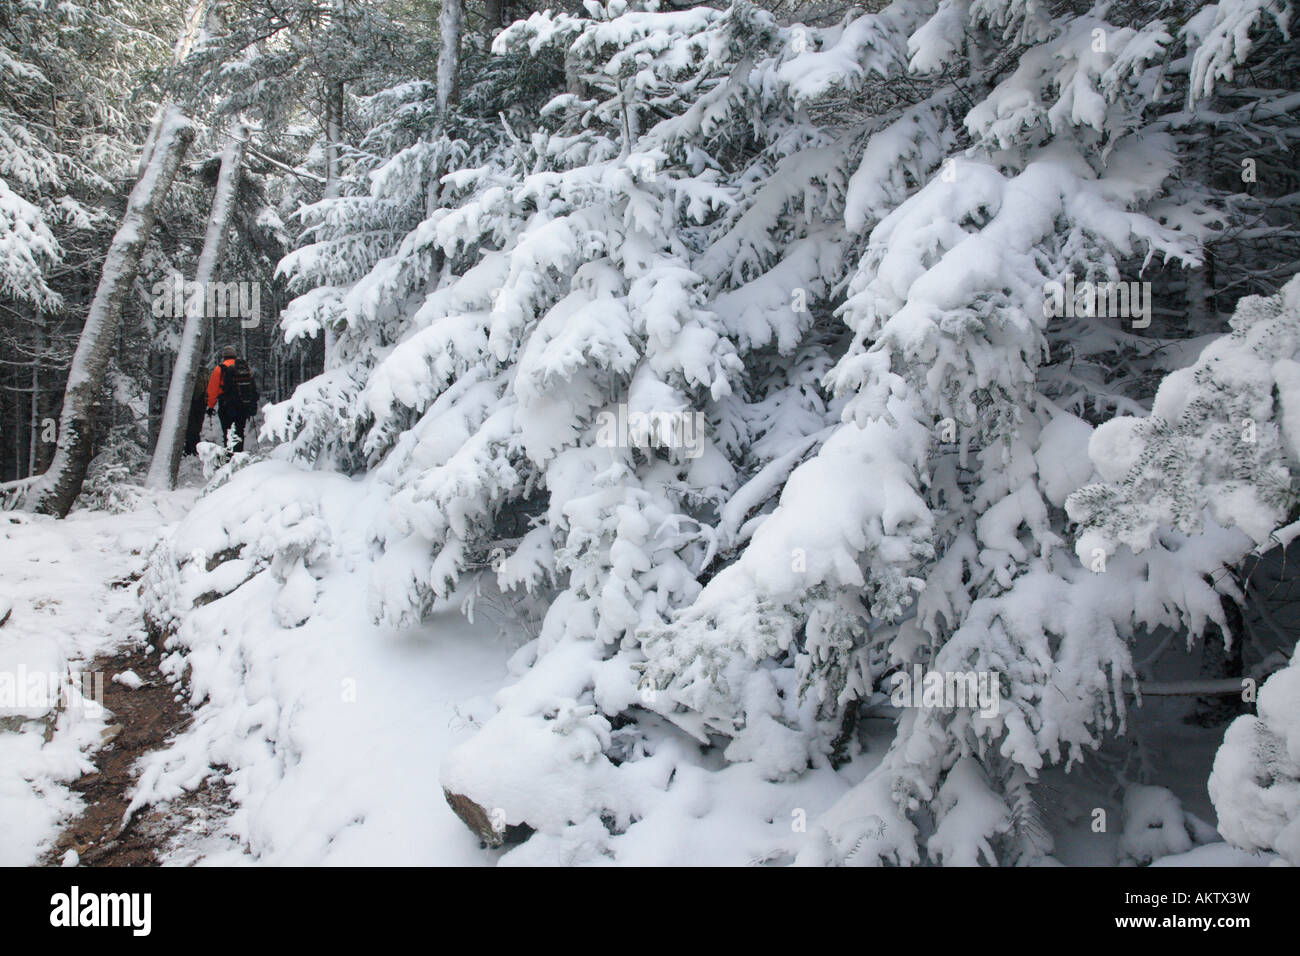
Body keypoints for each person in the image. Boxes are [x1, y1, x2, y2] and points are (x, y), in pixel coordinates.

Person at [206, 344, 260, 452]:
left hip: (226, 405)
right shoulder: (244, 368)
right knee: (239, 431)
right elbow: (250, 387)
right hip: (243, 405)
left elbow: (213, 390)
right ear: (234, 356)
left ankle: (229, 457)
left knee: (227, 432)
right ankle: (239, 455)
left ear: (224, 356)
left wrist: (210, 406)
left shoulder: (219, 369)